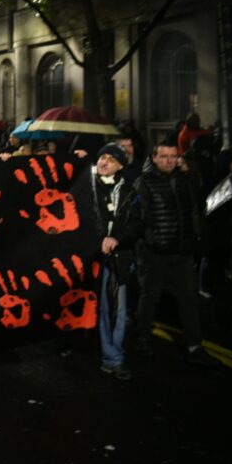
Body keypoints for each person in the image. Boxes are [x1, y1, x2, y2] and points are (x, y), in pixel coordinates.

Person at [133, 143, 218, 366]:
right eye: (164, 156)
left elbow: (194, 210)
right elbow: (137, 217)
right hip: (155, 253)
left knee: (189, 300)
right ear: (154, 158)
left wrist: (196, 238)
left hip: (182, 252)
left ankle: (194, 347)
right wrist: (149, 243)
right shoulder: (144, 182)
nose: (169, 160)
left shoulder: (184, 180)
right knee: (150, 298)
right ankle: (143, 340)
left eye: (173, 156)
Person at [87, 143, 142, 381]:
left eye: (110, 159)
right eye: (101, 157)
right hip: (89, 259)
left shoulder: (129, 191)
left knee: (115, 310)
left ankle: (113, 359)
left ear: (120, 165)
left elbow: (136, 225)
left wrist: (116, 239)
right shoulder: (86, 185)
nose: (104, 162)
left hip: (116, 259)